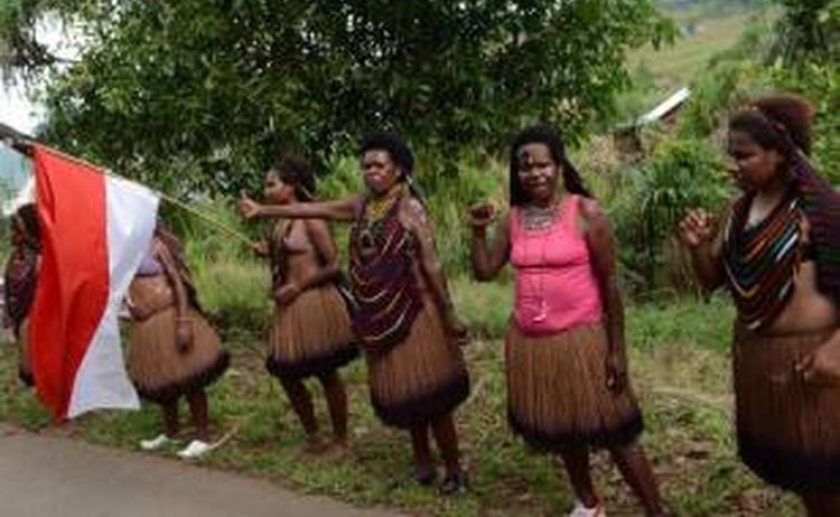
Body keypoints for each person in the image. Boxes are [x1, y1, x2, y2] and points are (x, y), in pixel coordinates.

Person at [239, 132, 470, 494]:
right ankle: (422, 460)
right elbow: (314, 208)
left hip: (417, 313)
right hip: (379, 315)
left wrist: (449, 314)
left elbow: (432, 264)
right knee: (406, 389)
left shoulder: (410, 209)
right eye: (366, 166)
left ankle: (454, 467)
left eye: (379, 165)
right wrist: (264, 210)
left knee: (433, 394)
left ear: (398, 170)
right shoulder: (361, 205)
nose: (371, 171)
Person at [469, 125, 665, 517]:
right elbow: (485, 270)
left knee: (616, 430)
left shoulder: (586, 212)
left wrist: (617, 351)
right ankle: (589, 504)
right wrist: (477, 231)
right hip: (533, 344)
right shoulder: (513, 219)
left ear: (559, 165)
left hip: (583, 340)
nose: (534, 173)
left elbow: (610, 285)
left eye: (543, 165)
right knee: (562, 428)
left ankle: (656, 512)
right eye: (525, 167)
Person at [679, 94, 840, 516]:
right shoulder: (739, 211)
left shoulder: (820, 211)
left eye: (744, 156)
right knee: (804, 475)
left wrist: (836, 349)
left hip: (814, 366)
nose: (732, 166)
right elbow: (713, 279)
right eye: (731, 155)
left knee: (828, 480)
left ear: (780, 153)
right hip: (765, 368)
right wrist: (698, 248)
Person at [255, 154, 358, 454]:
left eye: (272, 184)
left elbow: (335, 265)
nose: (266, 190)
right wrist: (269, 252)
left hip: (315, 301)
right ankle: (313, 435)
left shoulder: (311, 218)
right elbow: (290, 257)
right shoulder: (280, 223)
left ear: (291, 187)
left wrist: (299, 286)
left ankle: (340, 440)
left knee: (326, 372)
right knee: (285, 372)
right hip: (289, 307)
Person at [126, 223, 229, 459]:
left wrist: (183, 321)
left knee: (189, 376)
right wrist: (130, 307)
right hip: (146, 326)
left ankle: (202, 436)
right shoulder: (127, 248)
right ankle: (171, 432)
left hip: (169, 317)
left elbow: (178, 283)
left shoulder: (157, 245)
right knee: (162, 377)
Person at [3, 204, 40, 386]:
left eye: (18, 225)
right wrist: (7, 312)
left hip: (34, 317)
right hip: (19, 315)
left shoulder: (42, 256)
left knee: (32, 367)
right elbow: (10, 284)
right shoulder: (17, 254)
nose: (14, 231)